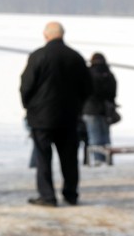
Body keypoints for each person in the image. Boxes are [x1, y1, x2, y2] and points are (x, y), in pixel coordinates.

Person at [20, 22, 92, 207]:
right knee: (69, 158)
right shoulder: (75, 57)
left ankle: (47, 195)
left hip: (41, 117)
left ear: (46, 35)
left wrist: (29, 107)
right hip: (69, 116)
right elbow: (87, 87)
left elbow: (26, 85)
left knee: (43, 157)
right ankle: (71, 194)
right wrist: (78, 106)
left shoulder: (38, 56)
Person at [82, 52, 117, 165]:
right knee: (105, 136)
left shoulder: (88, 73)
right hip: (105, 110)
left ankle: (98, 159)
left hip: (90, 108)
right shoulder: (108, 74)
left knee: (94, 136)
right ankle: (107, 159)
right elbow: (113, 92)